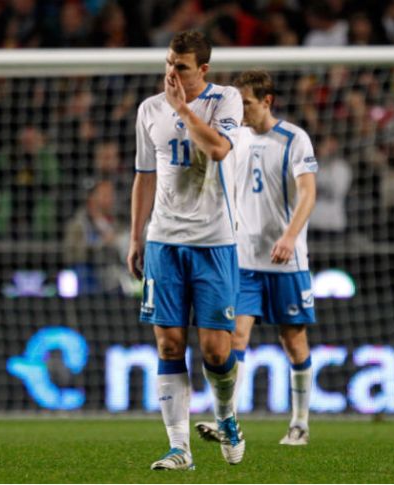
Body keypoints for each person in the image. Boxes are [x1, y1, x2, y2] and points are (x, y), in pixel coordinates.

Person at [127, 30, 244, 470]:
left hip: (214, 241)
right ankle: (180, 448)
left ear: (204, 71)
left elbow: (217, 149)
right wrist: (136, 236)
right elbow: (144, 175)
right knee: (169, 343)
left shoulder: (225, 100)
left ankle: (227, 417)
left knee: (216, 352)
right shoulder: (148, 110)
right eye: (168, 64)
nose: (171, 74)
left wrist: (182, 109)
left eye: (181, 67)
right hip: (164, 241)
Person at [194, 70, 318, 446]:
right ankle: (226, 420)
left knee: (293, 340)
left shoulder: (294, 138)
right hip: (243, 260)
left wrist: (290, 236)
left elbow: (309, 192)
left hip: (286, 261)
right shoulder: (235, 139)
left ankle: (299, 422)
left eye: (246, 102)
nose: (241, 110)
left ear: (267, 101)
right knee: (235, 339)